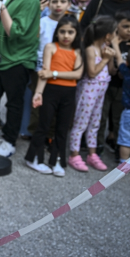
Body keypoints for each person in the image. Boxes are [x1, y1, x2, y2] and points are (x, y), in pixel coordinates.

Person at [0, 0, 40, 158]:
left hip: (18, 61)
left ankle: (9, 142)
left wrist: (1, 7)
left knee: (13, 104)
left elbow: (14, 31)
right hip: (3, 59)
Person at [27, 16, 83, 176]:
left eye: (70, 32)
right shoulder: (51, 47)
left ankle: (57, 160)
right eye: (62, 31)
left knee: (62, 128)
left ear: (76, 34)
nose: (66, 35)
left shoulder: (77, 51)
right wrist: (38, 93)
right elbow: (44, 73)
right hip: (50, 91)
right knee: (43, 125)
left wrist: (54, 73)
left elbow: (78, 74)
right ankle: (33, 158)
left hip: (69, 93)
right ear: (57, 32)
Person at [68, 15, 117, 172]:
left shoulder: (104, 49)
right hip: (88, 91)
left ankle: (92, 153)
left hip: (100, 92)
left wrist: (110, 58)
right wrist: (104, 59)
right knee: (80, 123)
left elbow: (110, 71)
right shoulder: (90, 49)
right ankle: (74, 154)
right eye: (115, 32)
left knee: (95, 122)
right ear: (108, 35)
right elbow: (92, 72)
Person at [26, 0, 71, 135]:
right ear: (49, 4)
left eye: (62, 1)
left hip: (62, 70)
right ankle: (35, 134)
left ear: (68, 4)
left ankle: (51, 135)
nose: (58, 4)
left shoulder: (70, 24)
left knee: (55, 104)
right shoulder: (42, 22)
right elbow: (33, 43)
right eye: (55, 1)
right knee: (37, 101)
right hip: (40, 69)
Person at [101, 11, 130, 161]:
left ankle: (120, 149)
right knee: (102, 115)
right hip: (107, 84)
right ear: (116, 27)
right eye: (125, 26)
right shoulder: (109, 43)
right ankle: (99, 146)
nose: (129, 30)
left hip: (124, 90)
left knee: (119, 119)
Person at [113, 47, 130, 165]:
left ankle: (123, 164)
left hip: (128, 111)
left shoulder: (127, 71)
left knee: (126, 140)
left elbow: (119, 60)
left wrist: (115, 44)